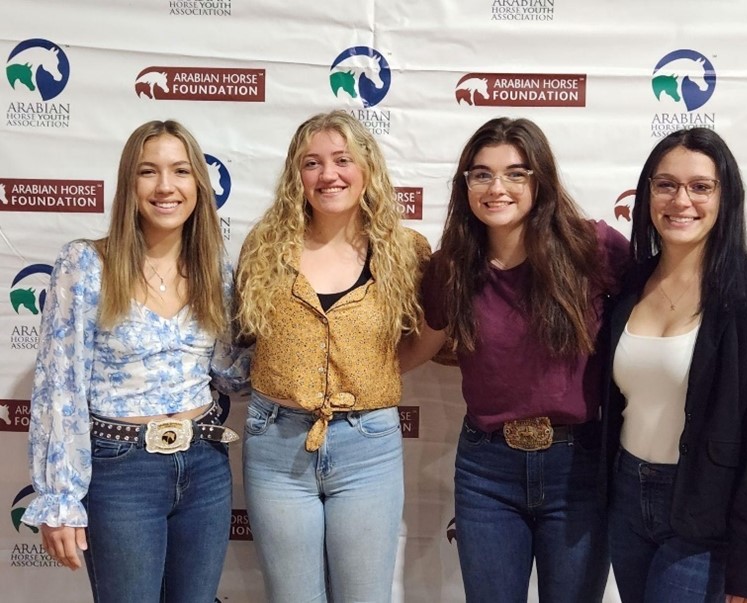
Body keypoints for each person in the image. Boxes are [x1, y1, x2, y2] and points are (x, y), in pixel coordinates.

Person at [400, 116, 630, 603]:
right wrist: (340, 376)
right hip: (487, 471)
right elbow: (420, 346)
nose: (496, 188)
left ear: (539, 180)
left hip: (579, 467)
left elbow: (657, 308)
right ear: (465, 185)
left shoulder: (592, 247)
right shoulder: (451, 266)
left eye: (515, 173)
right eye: (481, 174)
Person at [21, 120, 250, 603]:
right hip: (121, 471)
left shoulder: (215, 269)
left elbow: (231, 374)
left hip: (205, 465)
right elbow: (60, 386)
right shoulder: (85, 264)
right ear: (130, 183)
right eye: (149, 172)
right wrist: (60, 498)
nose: (166, 186)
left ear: (198, 185)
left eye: (180, 171)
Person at [235, 110, 430, 602]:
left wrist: (372, 371)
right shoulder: (264, 247)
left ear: (367, 168)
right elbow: (248, 336)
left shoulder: (405, 251)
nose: (328, 175)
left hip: (368, 446)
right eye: (312, 163)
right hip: (276, 444)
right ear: (295, 175)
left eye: (343, 160)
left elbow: (429, 335)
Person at [602, 127, 747, 603]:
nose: (681, 200)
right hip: (625, 499)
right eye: (666, 184)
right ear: (648, 192)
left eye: (700, 186)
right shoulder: (627, 284)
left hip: (704, 511)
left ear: (725, 197)